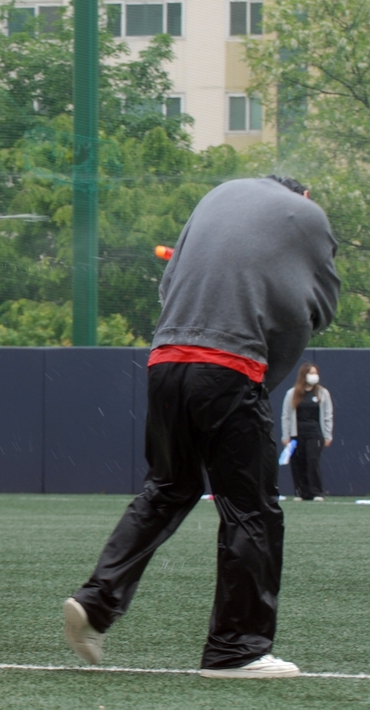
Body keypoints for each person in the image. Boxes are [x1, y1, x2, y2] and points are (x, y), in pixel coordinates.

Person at [63, 176, 339, 679]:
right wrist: (268, 373)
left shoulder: (221, 195)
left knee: (169, 487)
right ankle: (236, 650)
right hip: (229, 370)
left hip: (165, 361)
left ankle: (96, 601)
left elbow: (170, 286)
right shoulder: (305, 215)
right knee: (251, 509)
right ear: (302, 197)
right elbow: (316, 307)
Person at [282, 363, 333, 502]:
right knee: (298, 463)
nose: (314, 376)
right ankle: (301, 492)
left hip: (315, 432)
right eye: (311, 373)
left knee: (312, 461)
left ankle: (316, 491)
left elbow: (328, 415)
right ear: (303, 375)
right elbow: (286, 416)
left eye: (315, 373)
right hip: (296, 433)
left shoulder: (322, 393)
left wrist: (327, 435)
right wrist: (286, 436)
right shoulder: (292, 393)